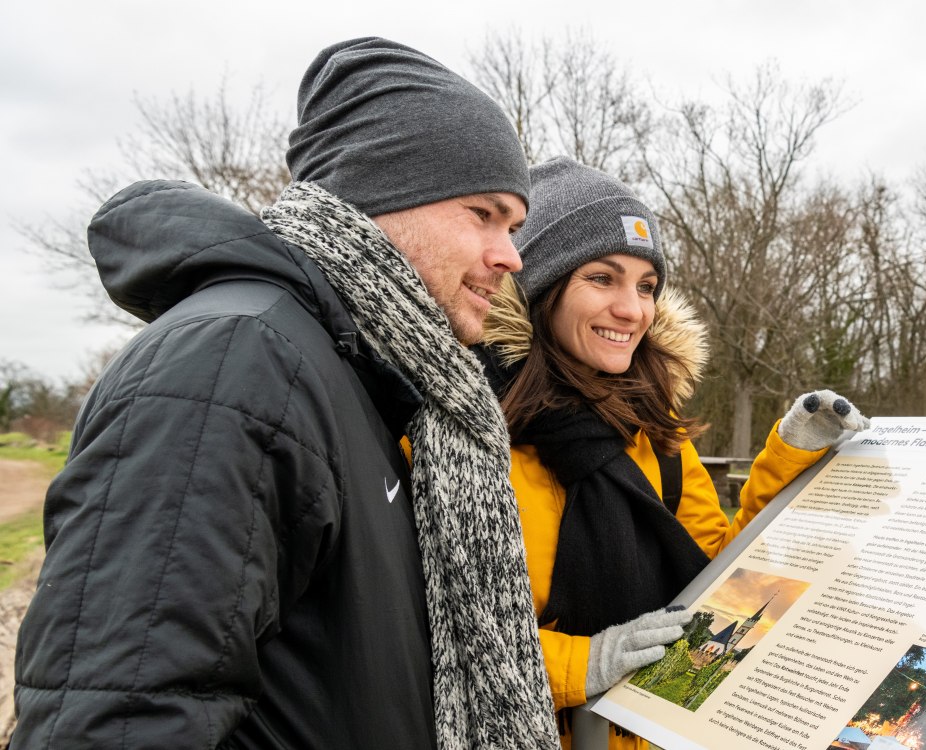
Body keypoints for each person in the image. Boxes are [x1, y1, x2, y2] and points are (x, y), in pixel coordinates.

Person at [12, 38, 561, 749]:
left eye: (514, 227)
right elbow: (119, 718)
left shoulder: (367, 380)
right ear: (380, 196)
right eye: (483, 214)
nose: (510, 257)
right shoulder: (232, 368)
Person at [476, 157, 871, 749]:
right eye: (602, 279)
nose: (632, 310)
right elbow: (432, 628)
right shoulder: (466, 435)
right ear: (541, 288)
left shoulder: (654, 435)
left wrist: (794, 463)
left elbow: (718, 578)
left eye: (646, 286)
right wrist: (580, 663)